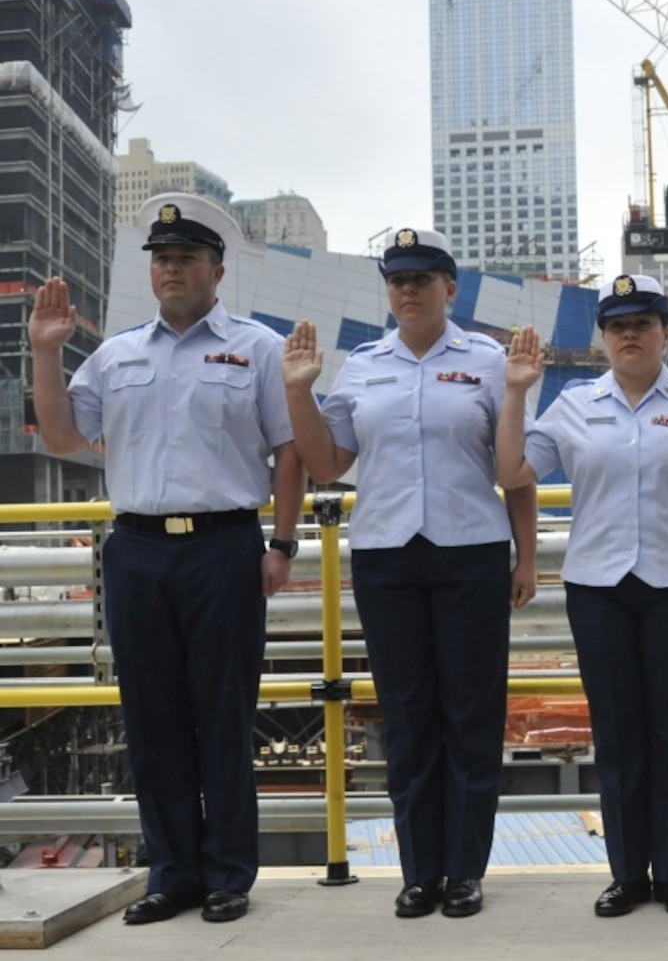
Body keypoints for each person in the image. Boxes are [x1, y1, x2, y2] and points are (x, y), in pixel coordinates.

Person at [28, 193, 304, 924]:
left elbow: (288, 450)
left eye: (186, 258)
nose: (172, 269)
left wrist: (281, 542)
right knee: (150, 720)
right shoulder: (117, 355)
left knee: (221, 714)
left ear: (217, 270)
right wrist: (47, 351)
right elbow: (60, 436)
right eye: (162, 259)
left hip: (224, 545)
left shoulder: (257, 348)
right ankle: (171, 874)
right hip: (139, 551)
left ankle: (227, 876)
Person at [281, 228, 537, 919]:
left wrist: (528, 554)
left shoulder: (488, 362)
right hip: (389, 556)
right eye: (397, 281)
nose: (408, 292)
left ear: (449, 289)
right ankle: (419, 872)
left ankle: (465, 871)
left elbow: (514, 469)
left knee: (470, 715)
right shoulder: (363, 366)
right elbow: (328, 464)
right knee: (407, 716)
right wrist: (299, 394)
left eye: (421, 281)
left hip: (470, 553)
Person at [496, 275, 668, 917]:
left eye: (643, 323)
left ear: (665, 332)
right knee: (616, 733)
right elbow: (512, 472)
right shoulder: (575, 404)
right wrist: (516, 394)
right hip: (599, 588)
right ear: (604, 338)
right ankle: (626, 875)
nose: (629, 335)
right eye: (617, 326)